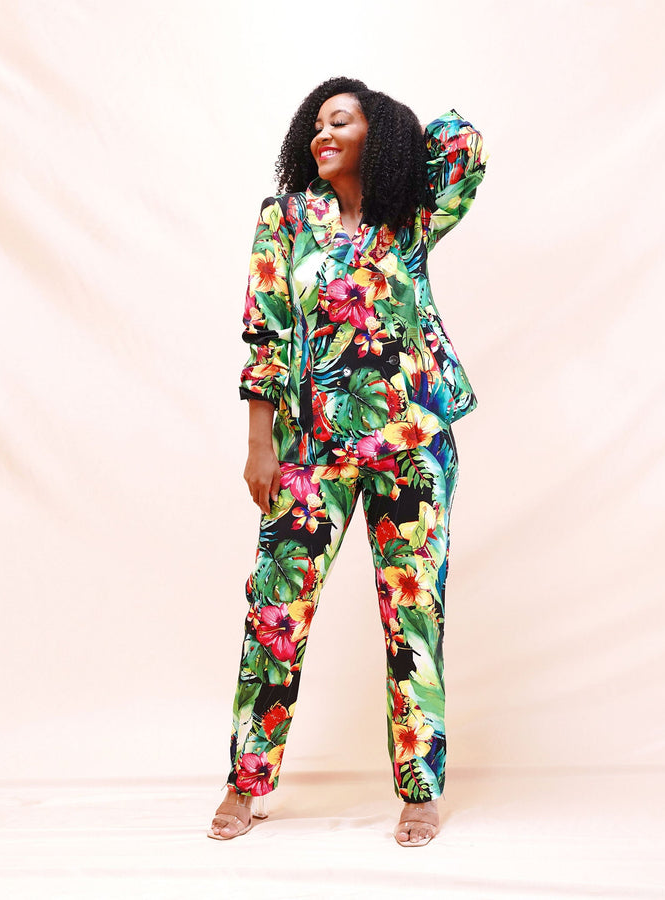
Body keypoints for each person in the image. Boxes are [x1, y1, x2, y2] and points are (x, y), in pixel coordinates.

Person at [208, 76, 487, 847]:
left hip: (414, 441)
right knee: (276, 609)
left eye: (342, 122)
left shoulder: (413, 215)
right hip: (311, 447)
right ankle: (246, 782)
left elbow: (465, 143)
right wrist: (260, 443)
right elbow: (265, 331)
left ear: (378, 135)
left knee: (414, 617)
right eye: (316, 125)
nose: (322, 135)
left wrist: (394, 132)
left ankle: (421, 790)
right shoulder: (287, 219)